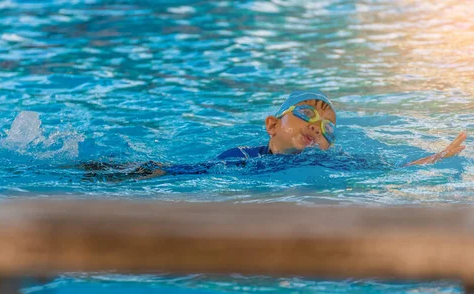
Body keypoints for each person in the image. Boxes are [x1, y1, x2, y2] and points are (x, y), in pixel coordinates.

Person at [79, 90, 467, 181]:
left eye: (326, 127)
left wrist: (438, 157)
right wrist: (150, 172)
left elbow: (388, 169)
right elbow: (193, 171)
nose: (316, 126)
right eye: (305, 115)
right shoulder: (243, 155)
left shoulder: (330, 161)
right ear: (271, 125)